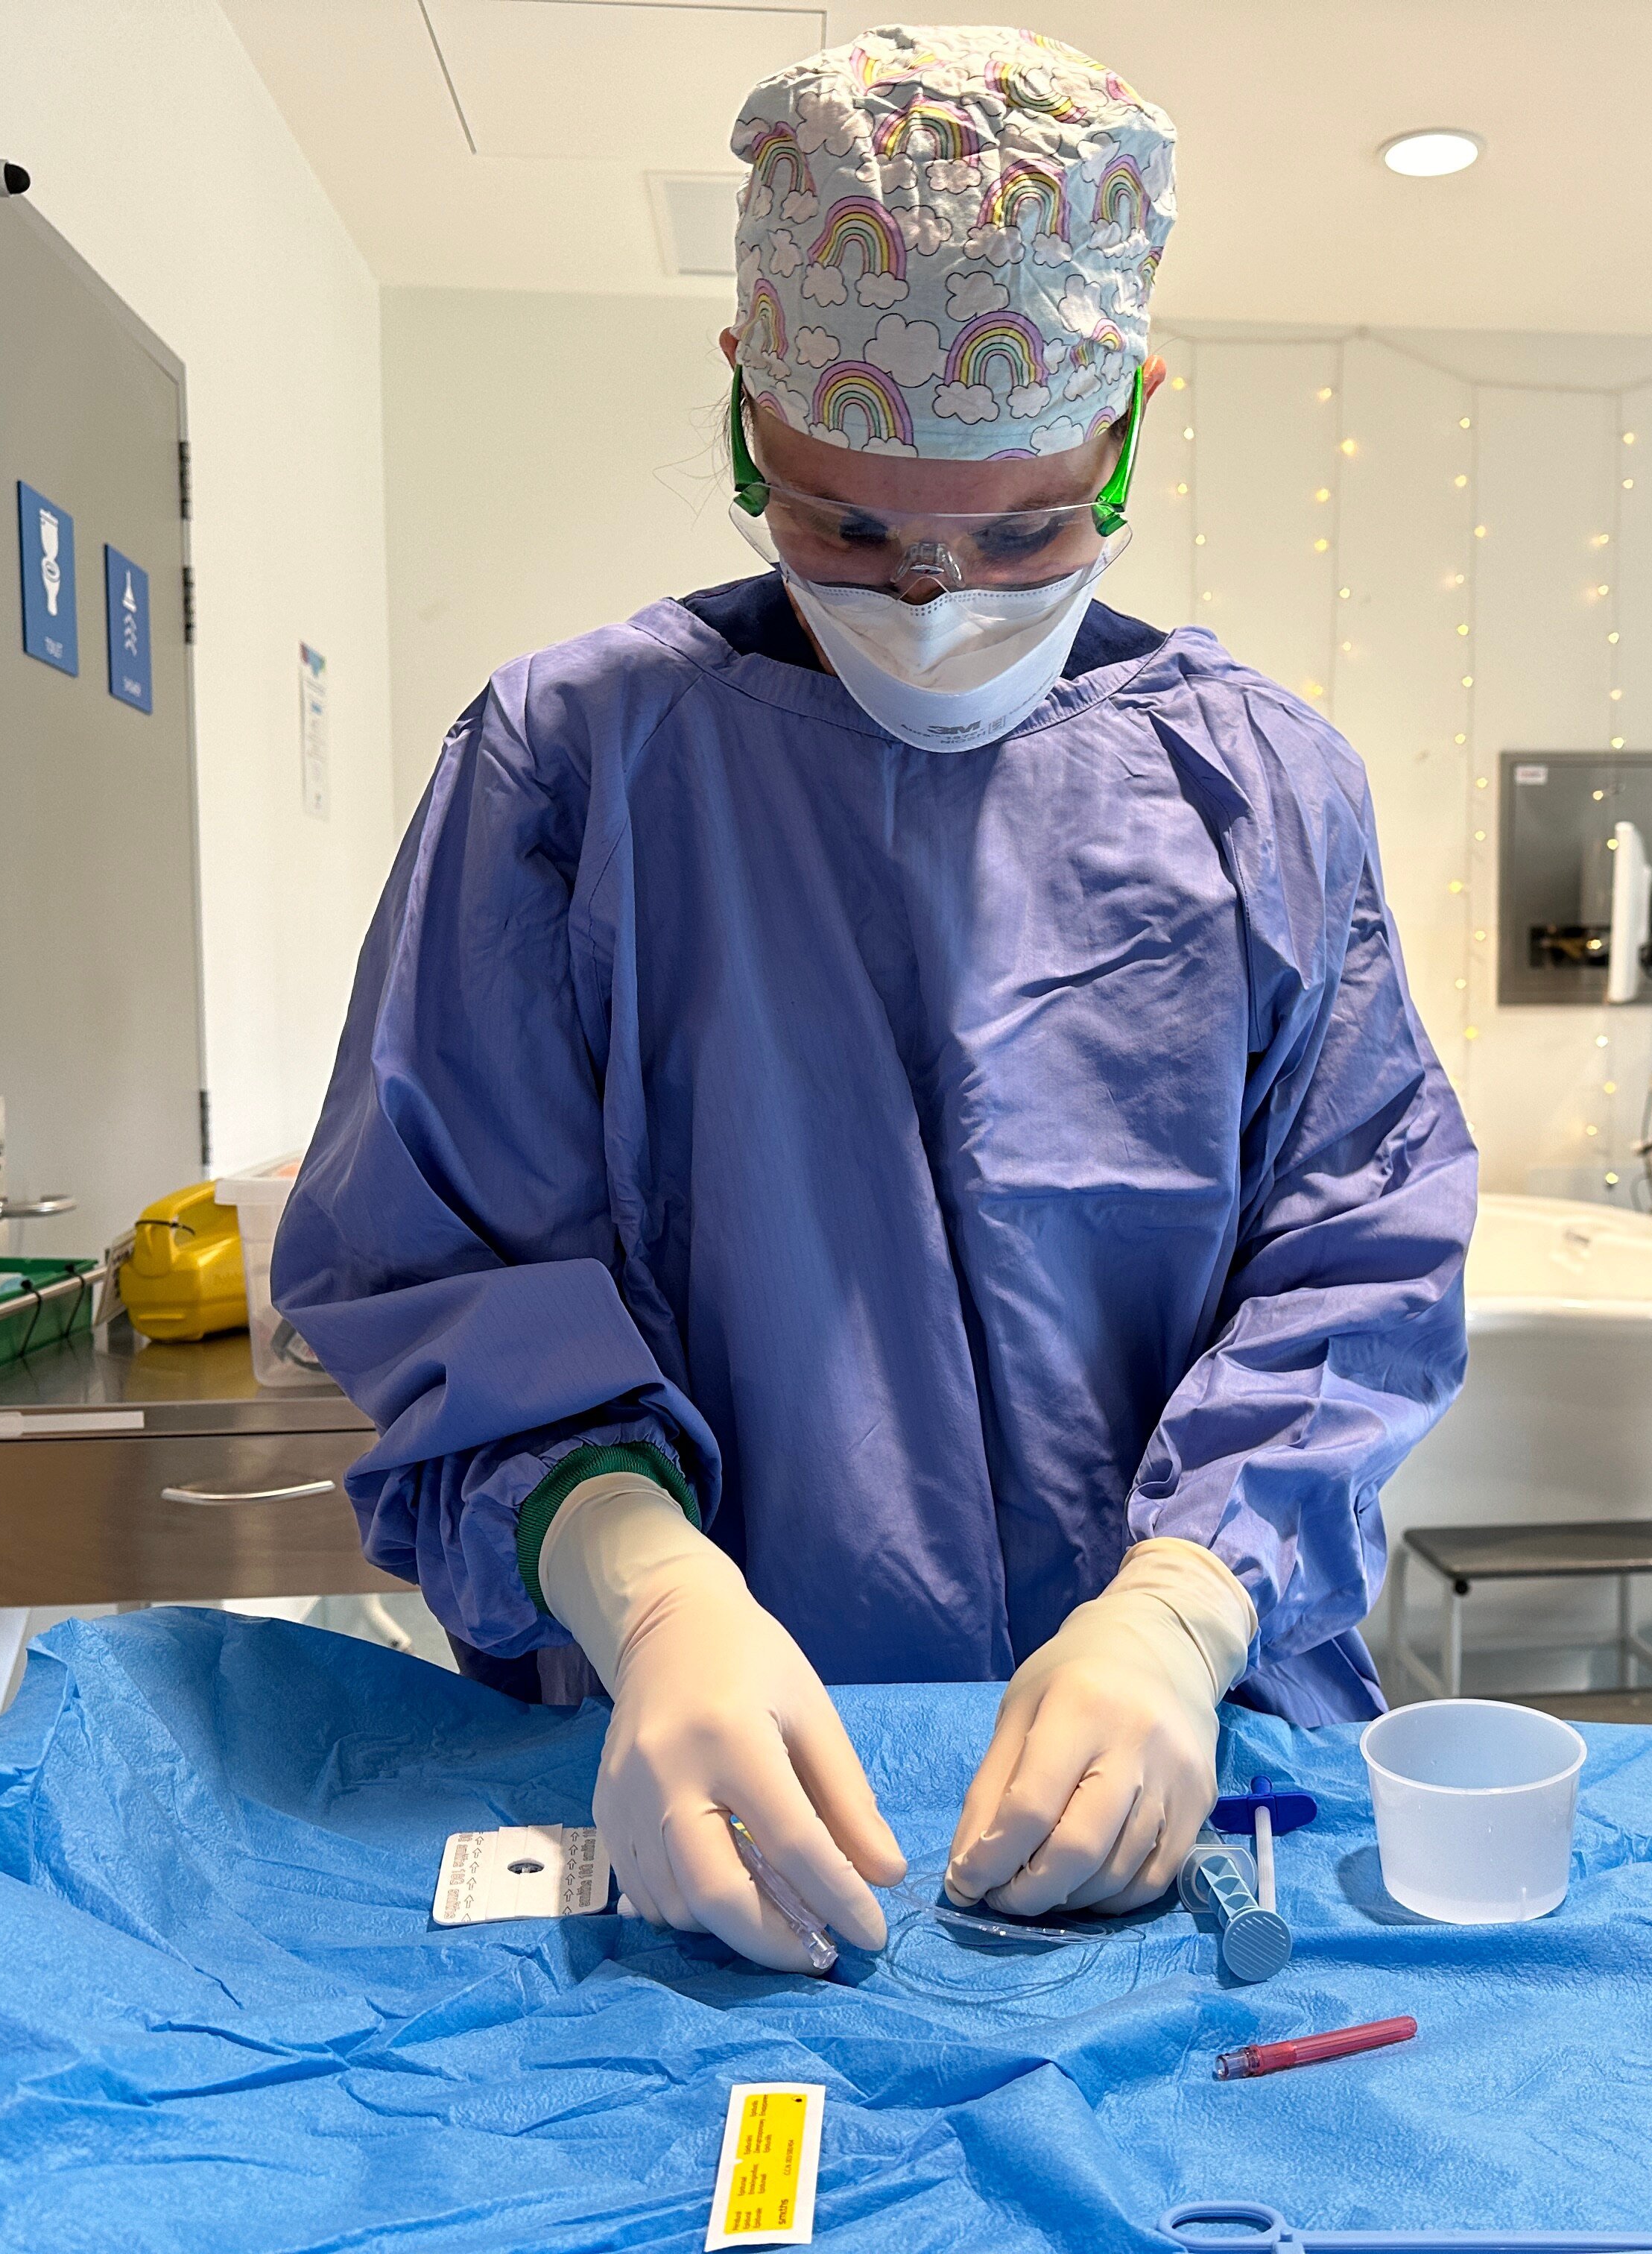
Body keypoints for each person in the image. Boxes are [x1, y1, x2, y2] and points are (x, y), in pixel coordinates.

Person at [276, 24, 1475, 1975]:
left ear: (1131, 428)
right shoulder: (571, 774)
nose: (934, 602)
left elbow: (1363, 1247)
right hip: (717, 1798)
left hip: (1174, 1774)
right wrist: (644, 1584)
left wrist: (1184, 1601)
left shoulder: (1260, 793)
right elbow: (440, 1272)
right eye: (851, 528)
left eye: (1020, 536)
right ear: (750, 414)